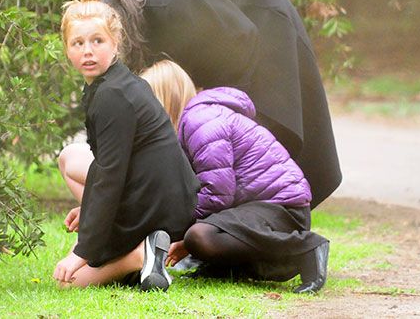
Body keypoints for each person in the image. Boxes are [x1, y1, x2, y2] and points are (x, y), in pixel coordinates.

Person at [78, 0, 341, 208]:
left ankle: (274, 223)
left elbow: (242, 37)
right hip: (235, 35)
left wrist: (217, 102)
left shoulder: (174, 3)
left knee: (261, 132)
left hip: (261, 20)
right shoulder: (138, 24)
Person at [52, 0, 199, 291]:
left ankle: (139, 255)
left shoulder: (113, 95)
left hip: (159, 208)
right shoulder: (113, 84)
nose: (88, 51)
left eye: (97, 41)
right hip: (166, 200)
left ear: (115, 43)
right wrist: (89, 211)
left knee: (70, 282)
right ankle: (142, 259)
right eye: (77, 43)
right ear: (66, 49)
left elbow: (109, 173)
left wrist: (81, 251)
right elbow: (112, 165)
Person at [140, 59, 330, 293]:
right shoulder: (195, 122)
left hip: (281, 208)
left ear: (164, 99)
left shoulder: (201, 122)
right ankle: (220, 268)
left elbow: (218, 193)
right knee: (198, 235)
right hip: (256, 209)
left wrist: (180, 232)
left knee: (199, 236)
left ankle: (308, 249)